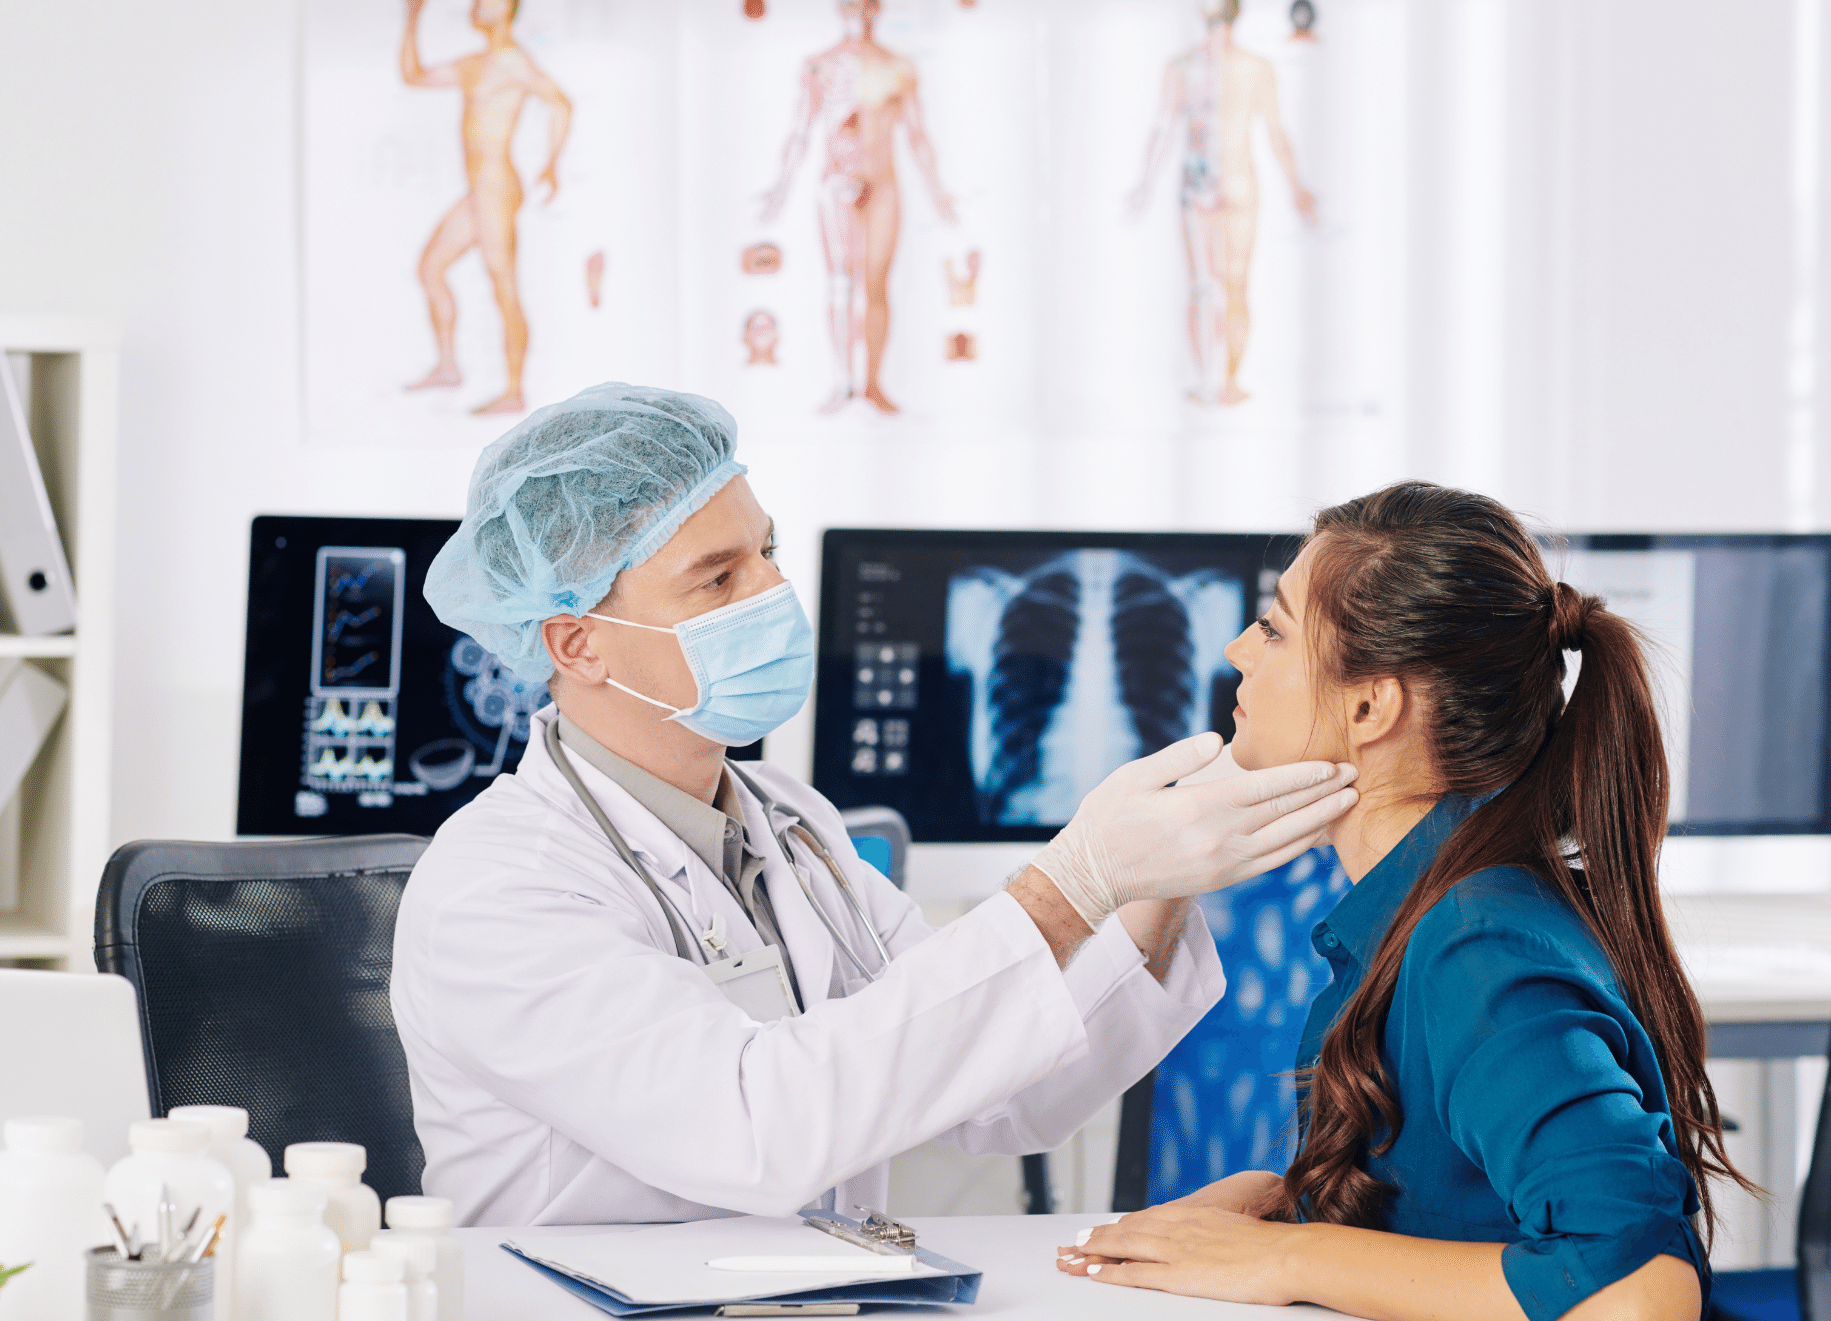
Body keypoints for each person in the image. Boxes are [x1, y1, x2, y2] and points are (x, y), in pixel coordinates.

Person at [390, 382, 1358, 1226]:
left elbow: (1001, 1092)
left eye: (763, 551)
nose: (773, 589)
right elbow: (757, 1132)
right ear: (575, 645)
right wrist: (1071, 881)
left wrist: (1159, 875)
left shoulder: (787, 821)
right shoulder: (499, 889)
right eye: (716, 577)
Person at [1056, 483, 1751, 1321]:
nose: (1240, 648)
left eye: (1275, 628)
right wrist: (1295, 1199)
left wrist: (1287, 1254)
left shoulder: (1478, 948)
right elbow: (1462, 1205)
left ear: (1370, 704)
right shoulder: (1427, 910)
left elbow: (1642, 1295)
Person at [760, 0, 957, 415]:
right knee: (839, 283)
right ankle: (843, 383)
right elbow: (800, 129)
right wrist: (780, 187)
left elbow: (918, 134)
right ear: (839, 8)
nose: (859, 13)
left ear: (878, 8)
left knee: (876, 285)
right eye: (851, 3)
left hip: (883, 184)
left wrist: (940, 194)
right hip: (836, 185)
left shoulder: (898, 67)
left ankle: (872, 384)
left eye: (867, 3)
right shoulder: (820, 66)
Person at [1129, 0, 1315, 406]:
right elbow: (1275, 133)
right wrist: (1296, 187)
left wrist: (1145, 184)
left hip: (1217, 182)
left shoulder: (1198, 66)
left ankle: (1213, 379)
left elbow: (1163, 129)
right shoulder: (1237, 66)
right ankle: (1220, 380)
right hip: (1224, 182)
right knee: (1222, 286)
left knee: (1212, 286)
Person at [400, 0, 571, 414]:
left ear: (507, 6)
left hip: (497, 186)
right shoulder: (474, 63)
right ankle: (448, 366)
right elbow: (414, 76)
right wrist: (413, 17)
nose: (477, 3)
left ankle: (514, 391)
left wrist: (552, 165)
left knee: (503, 287)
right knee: (430, 267)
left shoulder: (513, 60)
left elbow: (561, 103)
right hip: (478, 190)